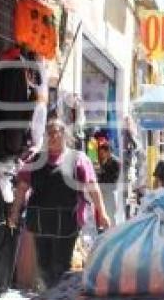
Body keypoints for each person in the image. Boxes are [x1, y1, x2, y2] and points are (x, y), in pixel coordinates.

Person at [8, 118, 111, 289]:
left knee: (62, 264)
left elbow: (92, 188)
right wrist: (14, 212)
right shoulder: (35, 160)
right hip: (41, 221)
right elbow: (22, 188)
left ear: (64, 135)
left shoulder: (78, 159)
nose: (52, 137)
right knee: (44, 264)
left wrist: (103, 213)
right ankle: (50, 299)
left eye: (56, 132)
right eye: (49, 133)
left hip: (67, 220)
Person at [96, 140, 122, 225]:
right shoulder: (105, 162)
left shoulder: (115, 162)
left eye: (103, 153)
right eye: (100, 153)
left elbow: (113, 178)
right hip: (105, 191)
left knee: (112, 213)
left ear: (108, 152)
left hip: (111, 191)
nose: (101, 155)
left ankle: (113, 232)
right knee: (107, 212)